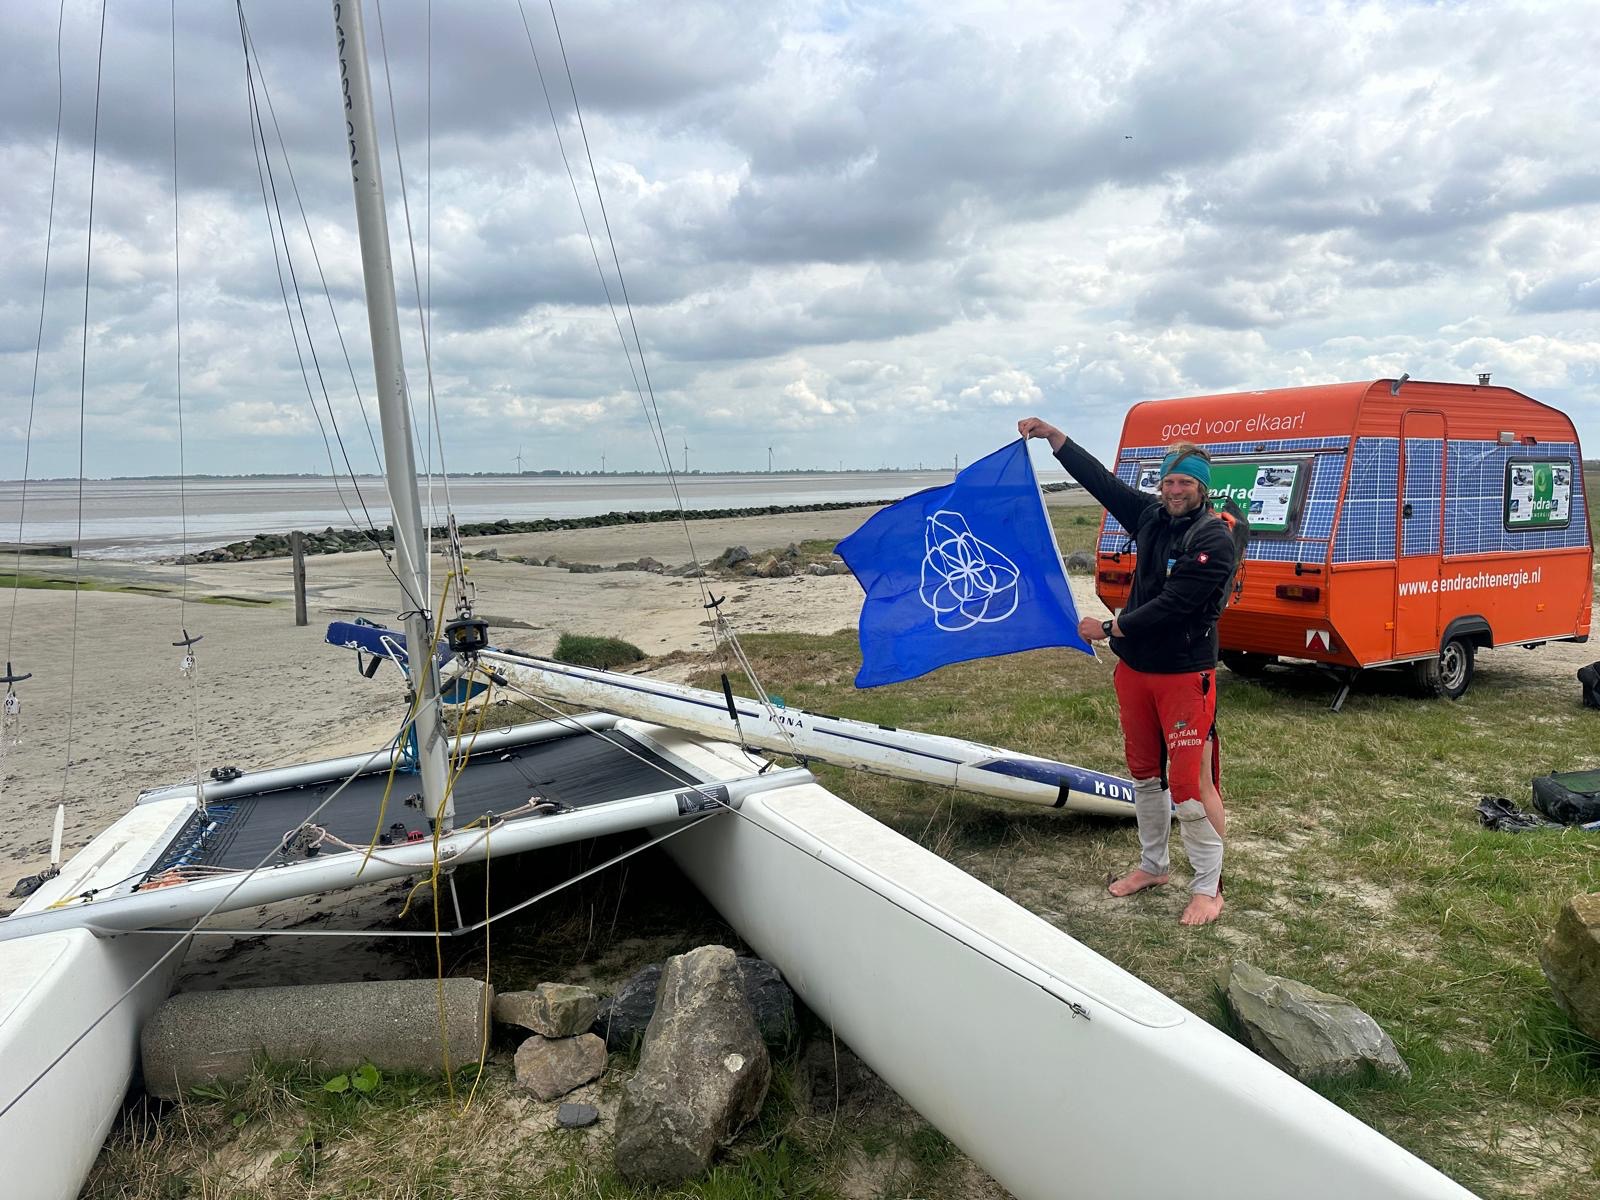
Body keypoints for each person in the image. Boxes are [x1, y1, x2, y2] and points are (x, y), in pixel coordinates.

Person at [1017, 417, 1236, 925]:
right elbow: (1103, 484)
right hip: (1136, 672)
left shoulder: (1214, 539)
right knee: (1143, 774)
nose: (1175, 490)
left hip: (1185, 675)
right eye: (1168, 481)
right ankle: (1154, 866)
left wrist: (1111, 628)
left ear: (1202, 487)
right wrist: (1058, 441)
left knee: (1189, 786)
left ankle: (1208, 888)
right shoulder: (1151, 515)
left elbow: (1175, 605)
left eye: (1185, 482)